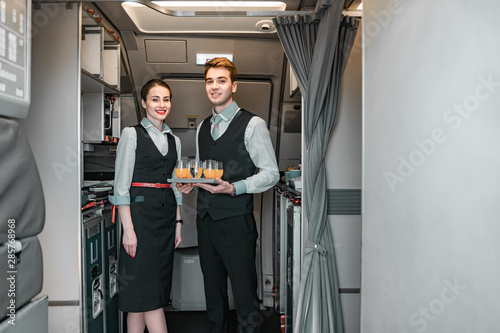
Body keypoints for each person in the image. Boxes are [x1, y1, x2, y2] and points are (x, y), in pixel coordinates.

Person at [177, 57, 279, 333]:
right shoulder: (203, 127)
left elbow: (271, 174)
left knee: (245, 298)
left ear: (234, 86)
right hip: (206, 220)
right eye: (209, 81)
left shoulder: (252, 124)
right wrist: (191, 183)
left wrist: (235, 187)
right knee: (214, 296)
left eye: (221, 81)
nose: (214, 86)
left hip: (236, 221)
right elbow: (202, 171)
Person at [109, 79, 183, 333]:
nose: (162, 105)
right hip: (139, 219)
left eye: (166, 99)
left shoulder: (174, 139)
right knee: (148, 292)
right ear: (143, 103)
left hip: (165, 220)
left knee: (143, 296)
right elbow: (121, 187)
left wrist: (179, 223)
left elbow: (175, 184)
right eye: (155, 99)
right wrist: (128, 230)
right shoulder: (132, 134)